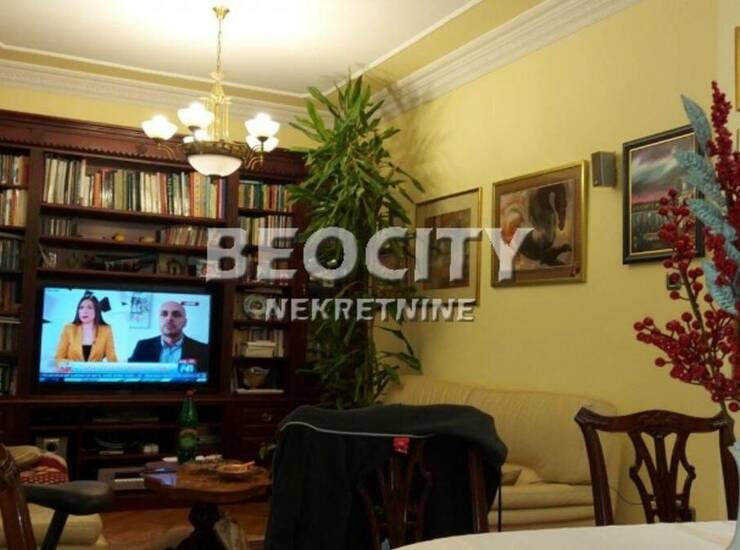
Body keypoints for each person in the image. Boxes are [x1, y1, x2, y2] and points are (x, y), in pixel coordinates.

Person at [128, 301, 209, 371]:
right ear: (159, 320)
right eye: (164, 314)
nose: (169, 318)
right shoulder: (142, 346)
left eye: (176, 314)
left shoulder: (203, 349)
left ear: (185, 322)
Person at [55, 294, 118, 364]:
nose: (84, 311)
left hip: (95, 371)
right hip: (72, 370)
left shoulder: (106, 330)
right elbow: (59, 358)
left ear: (97, 311)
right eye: (81, 308)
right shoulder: (69, 329)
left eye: (89, 307)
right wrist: (65, 365)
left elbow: (112, 360)